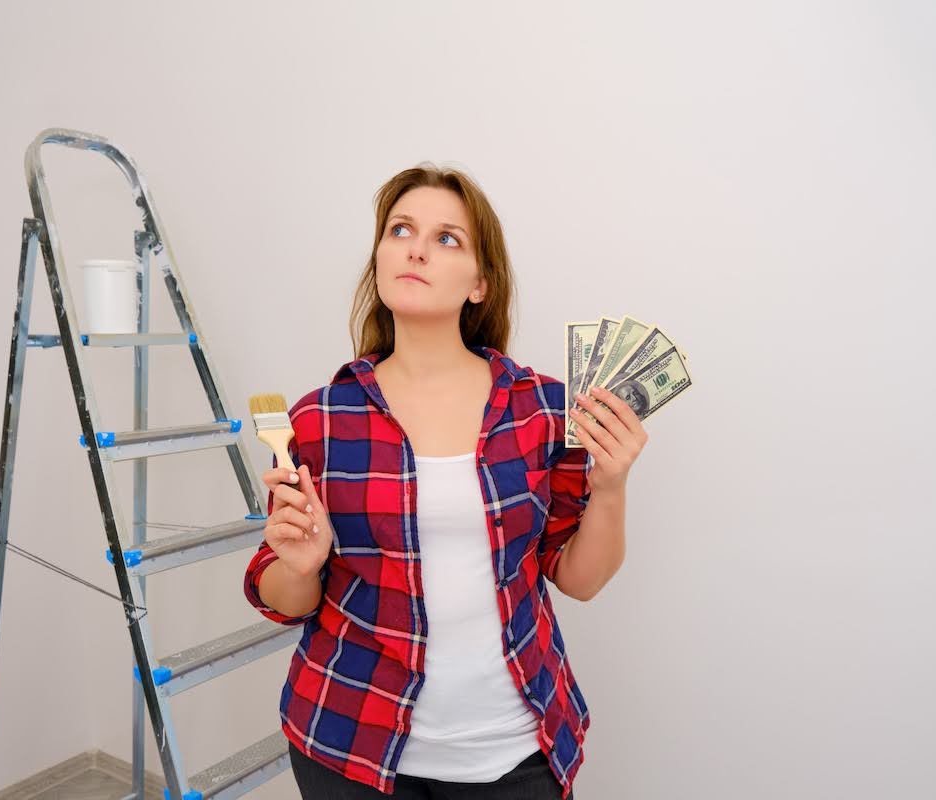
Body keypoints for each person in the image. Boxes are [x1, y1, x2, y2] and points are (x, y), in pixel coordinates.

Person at [243, 164, 648, 799]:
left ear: (481, 284)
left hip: (517, 749)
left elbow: (579, 578)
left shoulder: (543, 409)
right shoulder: (316, 419)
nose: (417, 247)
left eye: (447, 238)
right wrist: (299, 566)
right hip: (348, 744)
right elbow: (283, 596)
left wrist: (614, 485)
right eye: (400, 229)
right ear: (379, 260)